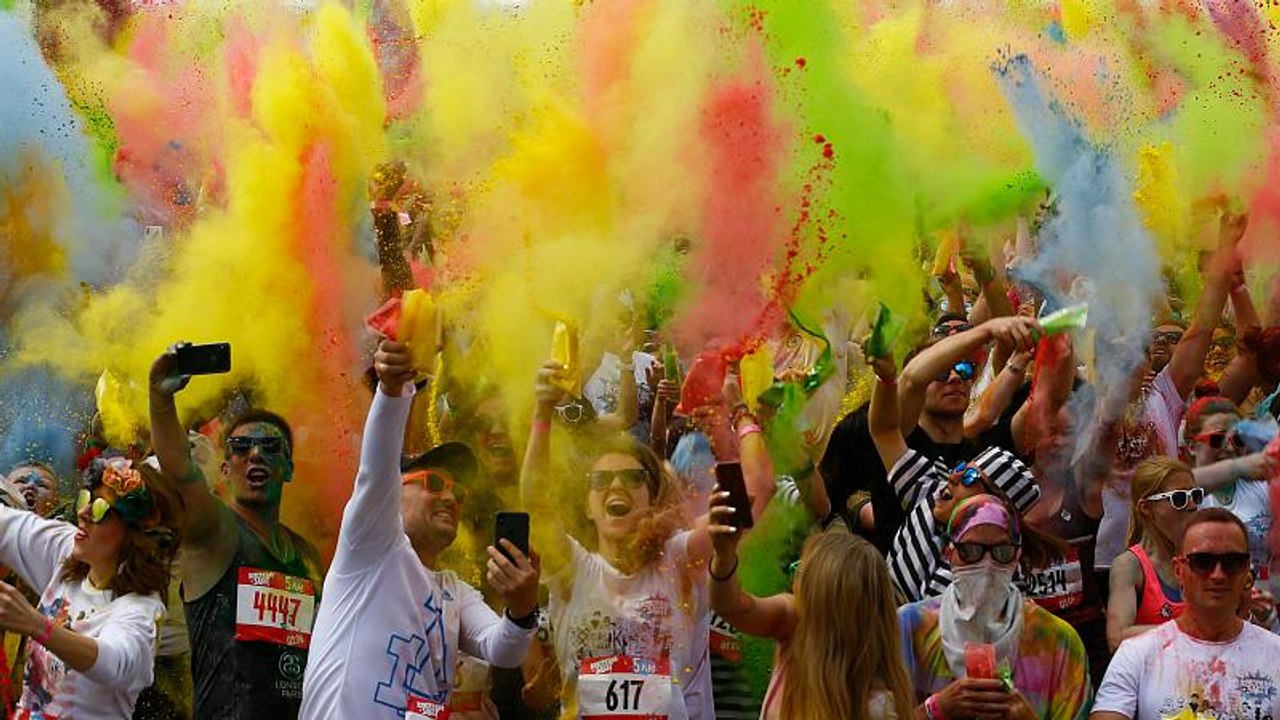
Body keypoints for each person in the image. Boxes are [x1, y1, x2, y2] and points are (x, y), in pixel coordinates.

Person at [520, 358, 773, 720]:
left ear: (652, 498)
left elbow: (758, 489)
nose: (617, 486)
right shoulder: (573, 569)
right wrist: (542, 412)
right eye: (601, 480)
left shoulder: (679, 560)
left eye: (633, 478)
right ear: (588, 507)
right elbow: (536, 503)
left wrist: (739, 412)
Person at [300, 339, 540, 719]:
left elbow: (502, 649)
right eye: (433, 484)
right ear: (395, 493)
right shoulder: (370, 550)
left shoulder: (455, 592)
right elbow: (375, 470)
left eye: (458, 492)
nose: (449, 497)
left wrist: (523, 607)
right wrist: (393, 391)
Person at [149, 344, 325, 719]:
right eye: (241, 447)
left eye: (270, 447)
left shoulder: (306, 556)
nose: (256, 455)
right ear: (225, 470)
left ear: (289, 468)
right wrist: (160, 400)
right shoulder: (216, 533)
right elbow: (180, 473)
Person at [0, 455, 177, 718]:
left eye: (100, 508)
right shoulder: (67, 550)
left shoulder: (141, 609)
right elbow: (6, 524)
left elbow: (113, 662)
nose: (82, 513)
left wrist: (37, 625)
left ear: (135, 533)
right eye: (86, 499)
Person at [899, 494, 1091, 720]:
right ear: (949, 554)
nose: (987, 565)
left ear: (1017, 556)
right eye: (970, 551)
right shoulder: (909, 627)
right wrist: (935, 709)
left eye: (1002, 552)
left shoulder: (1058, 640)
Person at [708, 523, 913, 720]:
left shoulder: (877, 707)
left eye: (801, 574)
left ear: (823, 601)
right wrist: (724, 556)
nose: (793, 583)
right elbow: (729, 604)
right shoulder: (793, 623)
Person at [1091, 508, 1280, 720]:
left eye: (1232, 562)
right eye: (1202, 562)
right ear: (1179, 570)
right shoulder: (1137, 655)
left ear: (1247, 570)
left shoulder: (1275, 653)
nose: (1218, 574)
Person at [1105, 457, 1199, 651]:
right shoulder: (1129, 566)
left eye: (1195, 495)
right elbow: (1117, 637)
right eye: (1179, 498)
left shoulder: (1203, 556)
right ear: (1146, 508)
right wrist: (1186, 631)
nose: (1192, 506)